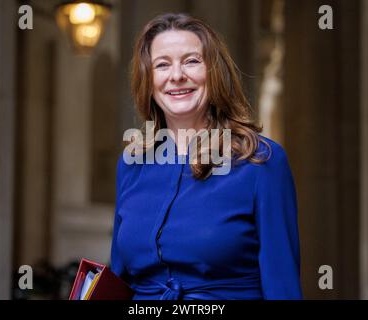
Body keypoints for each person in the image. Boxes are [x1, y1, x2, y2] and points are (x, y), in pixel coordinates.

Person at [110, 13, 302, 300]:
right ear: (148, 81)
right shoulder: (131, 164)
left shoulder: (262, 162)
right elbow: (118, 281)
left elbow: (282, 286)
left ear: (215, 73)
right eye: (162, 65)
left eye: (191, 61)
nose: (176, 75)